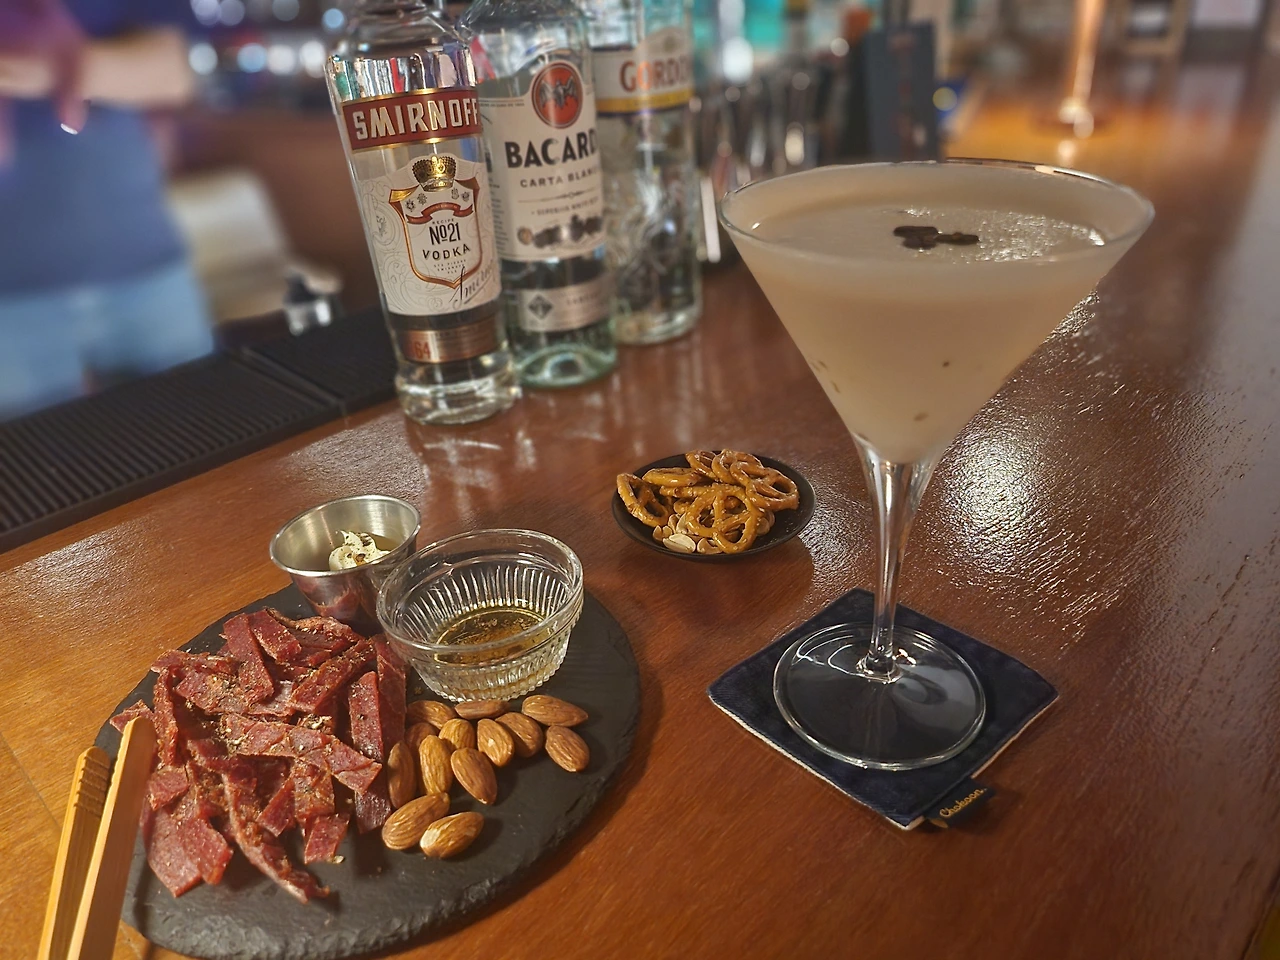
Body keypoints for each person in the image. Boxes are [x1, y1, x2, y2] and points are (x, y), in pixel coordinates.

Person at [0, 0, 213, 420]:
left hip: (146, 268)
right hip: (11, 298)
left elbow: (173, 71)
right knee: (37, 459)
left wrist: (58, 67)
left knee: (208, 435)